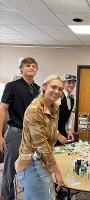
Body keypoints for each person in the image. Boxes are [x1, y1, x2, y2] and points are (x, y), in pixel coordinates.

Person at [15, 75, 67, 200]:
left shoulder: (54, 108)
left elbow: (51, 130)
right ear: (44, 87)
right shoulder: (34, 109)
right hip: (31, 162)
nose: (57, 91)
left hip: (43, 160)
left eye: (60, 89)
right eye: (53, 87)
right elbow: (41, 145)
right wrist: (57, 171)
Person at [0, 57, 40, 200]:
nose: (31, 67)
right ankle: (6, 196)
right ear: (21, 69)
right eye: (28, 65)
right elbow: (3, 108)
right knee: (10, 170)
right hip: (15, 133)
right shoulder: (12, 86)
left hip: (32, 136)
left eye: (34, 66)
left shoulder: (38, 89)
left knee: (31, 169)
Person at [55, 73, 77, 146]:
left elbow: (70, 115)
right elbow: (49, 119)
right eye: (69, 82)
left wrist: (70, 130)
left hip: (62, 131)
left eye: (73, 82)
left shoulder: (72, 98)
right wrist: (57, 135)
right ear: (63, 83)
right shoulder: (58, 96)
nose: (72, 85)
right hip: (52, 132)